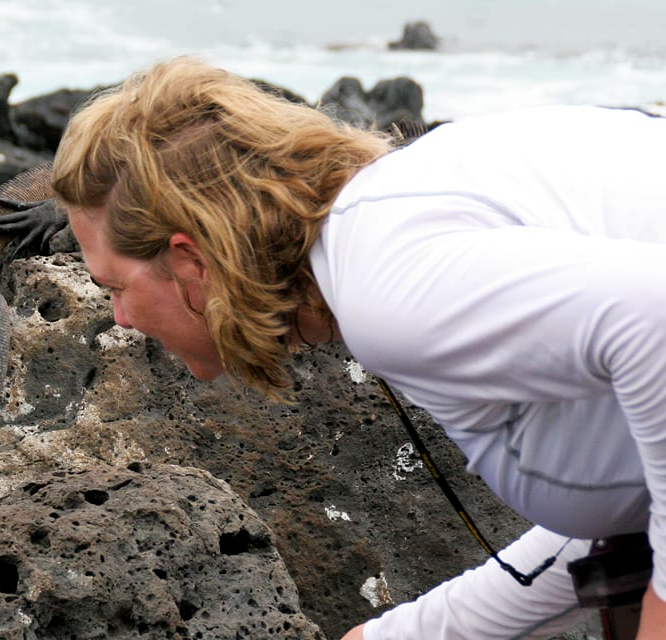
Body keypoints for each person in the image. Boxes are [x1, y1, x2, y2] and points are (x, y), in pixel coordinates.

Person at [50, 56, 666, 639]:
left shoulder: (390, 286)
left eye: (116, 287)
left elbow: (656, 324)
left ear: (190, 261)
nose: (120, 319)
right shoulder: (391, 224)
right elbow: (633, 485)